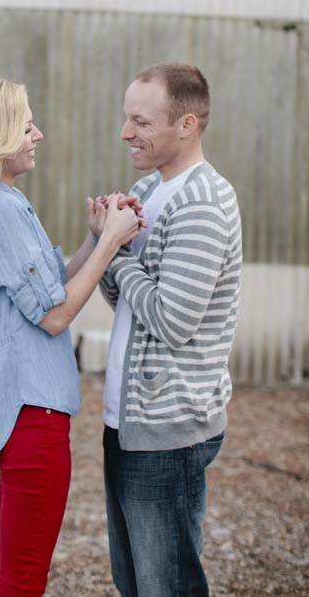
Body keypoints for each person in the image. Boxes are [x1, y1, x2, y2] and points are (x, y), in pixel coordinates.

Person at [0, 74, 140, 597]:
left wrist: (92, 240)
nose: (37, 134)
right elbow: (55, 317)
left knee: (5, 575)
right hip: (31, 419)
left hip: (26, 416)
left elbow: (47, 289)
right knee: (21, 581)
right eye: (26, 126)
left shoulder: (6, 204)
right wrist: (110, 243)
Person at [99, 62, 242, 597]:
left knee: (168, 588)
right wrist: (108, 251)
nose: (125, 132)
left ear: (186, 125)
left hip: (168, 434)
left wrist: (112, 251)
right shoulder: (149, 189)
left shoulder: (201, 203)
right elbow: (126, 303)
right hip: (129, 425)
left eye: (140, 120)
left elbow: (172, 320)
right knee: (133, 583)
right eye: (125, 117)